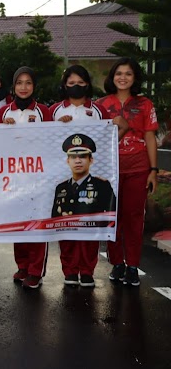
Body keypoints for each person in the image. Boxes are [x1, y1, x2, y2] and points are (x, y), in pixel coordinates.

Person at [96, 57, 157, 287]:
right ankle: (117, 264)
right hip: (109, 170)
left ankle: (132, 266)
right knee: (113, 217)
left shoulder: (144, 104)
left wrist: (153, 170)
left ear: (134, 78)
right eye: (118, 73)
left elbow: (150, 137)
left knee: (133, 218)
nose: (122, 77)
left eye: (128, 73)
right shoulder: (101, 105)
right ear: (112, 77)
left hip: (138, 169)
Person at [50, 65, 111, 288]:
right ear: (64, 85)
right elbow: (43, 140)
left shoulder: (99, 110)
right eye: (71, 83)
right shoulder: (54, 110)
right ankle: (69, 270)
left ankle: (87, 271)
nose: (76, 86)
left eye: (80, 82)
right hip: (61, 176)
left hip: (92, 177)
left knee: (89, 227)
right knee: (66, 228)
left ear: (88, 84)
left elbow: (108, 138)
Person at [0, 66, 53, 289]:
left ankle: (35, 270)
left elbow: (52, 141)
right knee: (18, 222)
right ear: (13, 86)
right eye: (19, 82)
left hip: (38, 177)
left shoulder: (43, 111)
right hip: (13, 177)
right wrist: (1, 128)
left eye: (28, 83)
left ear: (34, 86)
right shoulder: (3, 112)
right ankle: (22, 265)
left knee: (37, 223)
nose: (23, 87)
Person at [51, 134, 116, 288]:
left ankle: (87, 272)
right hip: (67, 231)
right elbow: (55, 214)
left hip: (91, 231)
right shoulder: (61, 187)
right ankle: (70, 272)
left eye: (83, 156)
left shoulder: (102, 185)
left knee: (89, 244)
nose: (78, 161)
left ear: (91, 160)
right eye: (73, 157)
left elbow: (110, 210)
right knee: (66, 243)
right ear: (68, 161)